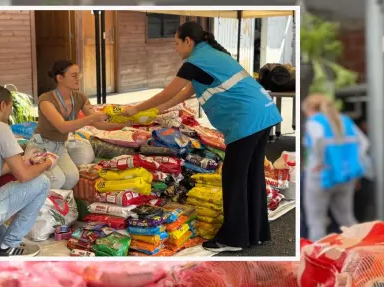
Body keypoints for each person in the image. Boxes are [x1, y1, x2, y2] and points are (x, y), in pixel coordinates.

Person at [121, 21, 282, 252]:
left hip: (246, 119)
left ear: (189, 41)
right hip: (264, 113)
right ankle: (256, 233)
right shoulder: (212, 55)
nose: (175, 48)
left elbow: (168, 91)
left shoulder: (195, 62)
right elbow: (185, 94)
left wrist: (135, 109)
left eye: (177, 43)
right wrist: (154, 112)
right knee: (251, 174)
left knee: (234, 177)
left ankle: (233, 238)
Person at [0, 86, 55, 257]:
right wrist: (47, 162)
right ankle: (7, 247)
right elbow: (23, 176)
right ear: (2, 105)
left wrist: (23, 160)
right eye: (10, 108)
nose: (9, 113)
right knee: (43, 182)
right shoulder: (0, 128)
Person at [28, 60, 110, 191]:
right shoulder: (46, 99)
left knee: (72, 177)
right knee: (57, 179)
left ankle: (60, 207)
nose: (78, 79)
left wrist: (126, 121)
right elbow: (63, 126)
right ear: (60, 78)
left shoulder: (80, 97)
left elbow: (98, 123)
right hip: (41, 145)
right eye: (73, 75)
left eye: (79, 75)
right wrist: (91, 118)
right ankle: (44, 209)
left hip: (60, 146)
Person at [303, 94, 367, 241]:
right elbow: (364, 143)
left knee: (316, 221)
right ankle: (361, 250)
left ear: (311, 109)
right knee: (347, 218)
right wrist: (354, 165)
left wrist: (319, 160)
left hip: (319, 176)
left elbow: (317, 140)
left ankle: (316, 258)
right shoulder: (345, 121)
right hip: (345, 176)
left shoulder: (315, 122)